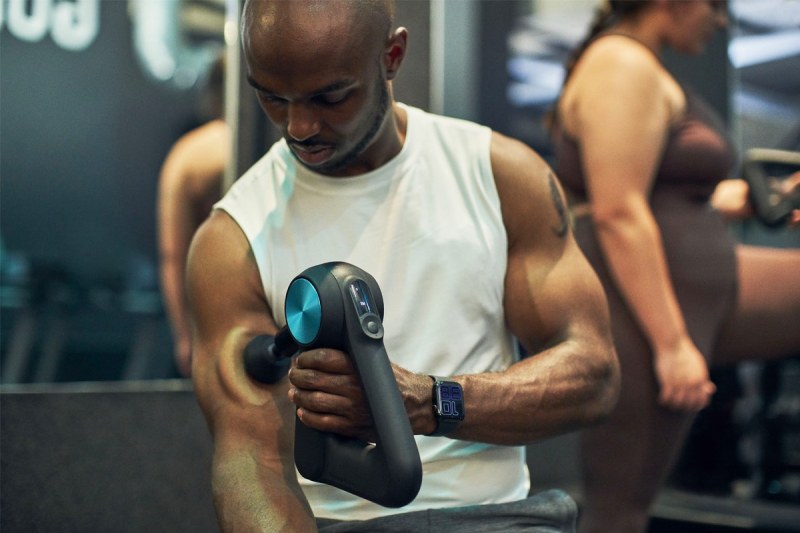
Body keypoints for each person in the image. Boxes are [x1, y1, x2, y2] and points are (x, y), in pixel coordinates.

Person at [187, 0, 620, 531]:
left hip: (495, 519)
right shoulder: (232, 239)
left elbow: (593, 373)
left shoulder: (500, 176)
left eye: (330, 97)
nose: (298, 127)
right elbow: (251, 460)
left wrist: (429, 403)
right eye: (272, 97)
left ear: (392, 56)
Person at [548, 1, 800, 532]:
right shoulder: (621, 63)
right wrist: (672, 344)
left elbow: (650, 192)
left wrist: (733, 200)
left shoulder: (636, 62)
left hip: (704, 286)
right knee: (618, 508)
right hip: (648, 308)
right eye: (715, 6)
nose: (721, 20)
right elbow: (617, 211)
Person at [157, 54, 229, 376]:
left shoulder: (189, 155)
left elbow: (173, 255)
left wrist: (184, 338)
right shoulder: (292, 148)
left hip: (212, 317)